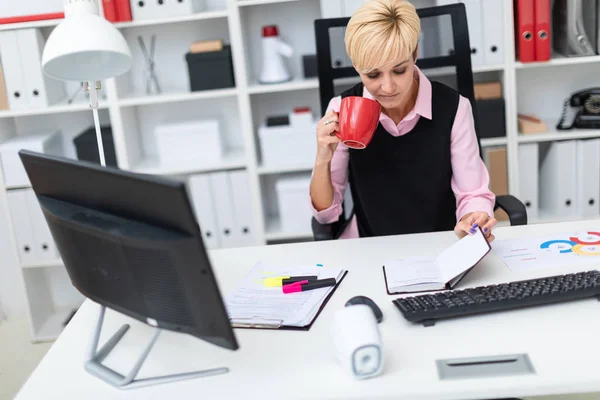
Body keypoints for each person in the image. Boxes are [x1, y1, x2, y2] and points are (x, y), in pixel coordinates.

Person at [309, 0, 498, 243]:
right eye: (373, 74)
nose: (387, 87)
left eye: (399, 70)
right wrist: (322, 158)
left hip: (438, 244)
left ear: (415, 54)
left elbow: (472, 194)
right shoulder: (342, 109)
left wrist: (474, 220)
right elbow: (326, 216)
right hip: (370, 246)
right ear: (357, 66)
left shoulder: (454, 108)